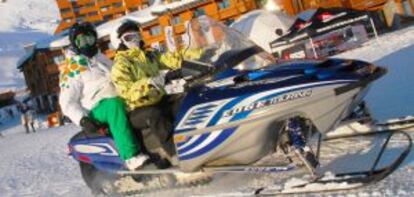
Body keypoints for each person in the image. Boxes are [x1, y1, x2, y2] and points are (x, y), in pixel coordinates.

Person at [59, 22, 148, 171]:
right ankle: (131, 157)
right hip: (96, 107)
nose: (87, 43)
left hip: (119, 98)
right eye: (82, 41)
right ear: (74, 43)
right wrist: (83, 119)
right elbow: (66, 102)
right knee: (114, 105)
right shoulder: (72, 69)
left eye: (90, 39)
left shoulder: (102, 58)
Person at [110, 21, 202, 127]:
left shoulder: (149, 55)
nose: (135, 40)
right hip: (138, 107)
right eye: (129, 37)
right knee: (157, 115)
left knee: (187, 100)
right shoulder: (120, 65)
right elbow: (127, 93)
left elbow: (171, 58)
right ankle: (170, 144)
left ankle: (196, 133)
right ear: (119, 42)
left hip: (158, 98)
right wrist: (151, 82)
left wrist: (200, 54)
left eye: (137, 35)